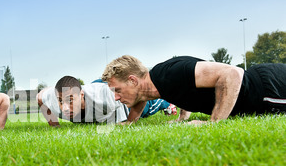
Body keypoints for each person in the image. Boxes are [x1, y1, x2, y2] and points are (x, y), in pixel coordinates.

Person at [101, 55, 286, 124]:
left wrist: (214, 123)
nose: (116, 98)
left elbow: (232, 74)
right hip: (265, 87)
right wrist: (130, 121)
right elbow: (140, 101)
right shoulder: (151, 86)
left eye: (117, 90)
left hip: (268, 89)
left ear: (133, 80)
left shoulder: (170, 73)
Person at [36, 76, 176, 127]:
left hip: (110, 98)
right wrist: (54, 125)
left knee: (150, 104)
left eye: (70, 101)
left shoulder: (107, 99)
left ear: (81, 95)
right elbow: (40, 97)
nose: (65, 108)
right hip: (95, 87)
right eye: (61, 101)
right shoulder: (54, 101)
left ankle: (168, 104)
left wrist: (130, 122)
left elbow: (141, 94)